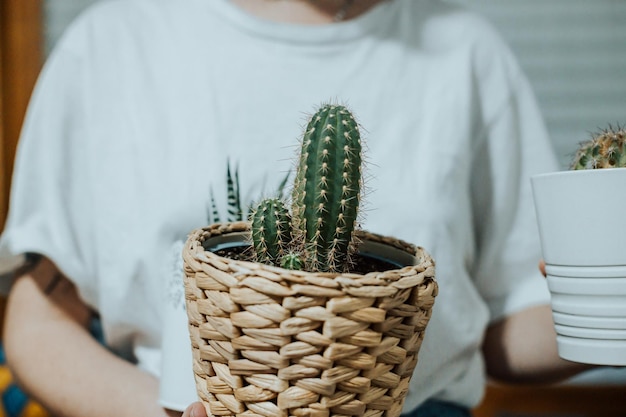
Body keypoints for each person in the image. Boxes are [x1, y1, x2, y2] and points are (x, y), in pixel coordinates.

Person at [0, 0, 593, 416]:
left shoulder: (467, 53)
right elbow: (41, 317)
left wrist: (609, 310)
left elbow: (503, 323)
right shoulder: (110, 44)